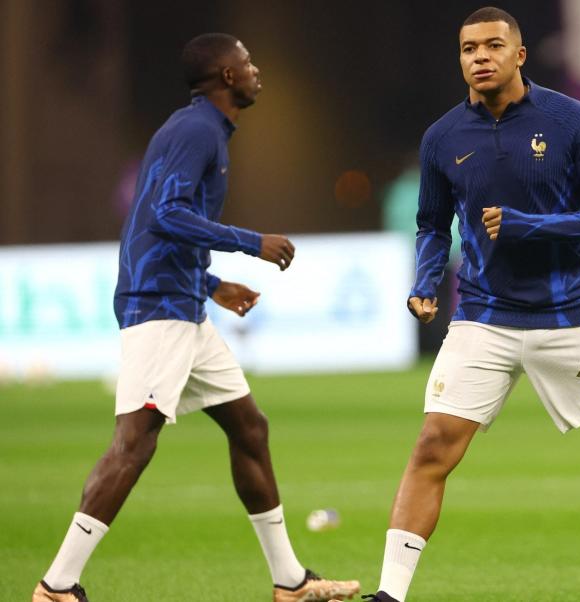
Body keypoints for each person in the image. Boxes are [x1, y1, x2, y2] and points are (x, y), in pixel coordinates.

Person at [360, 8, 580, 602]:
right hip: (484, 316)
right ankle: (389, 595)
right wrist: (426, 281)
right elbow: (432, 225)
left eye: (492, 46)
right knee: (432, 445)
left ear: (520, 55)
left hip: (573, 315)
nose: (479, 57)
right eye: (467, 48)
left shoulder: (568, 121)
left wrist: (529, 227)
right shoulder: (443, 137)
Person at [32, 33, 360, 602]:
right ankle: (57, 586)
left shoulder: (200, 130)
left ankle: (290, 582)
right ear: (226, 77)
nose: (257, 70)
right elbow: (164, 215)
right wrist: (249, 242)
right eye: (248, 62)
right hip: (160, 310)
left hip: (180, 302)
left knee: (249, 428)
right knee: (134, 444)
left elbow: (150, 220)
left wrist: (209, 285)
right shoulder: (196, 130)